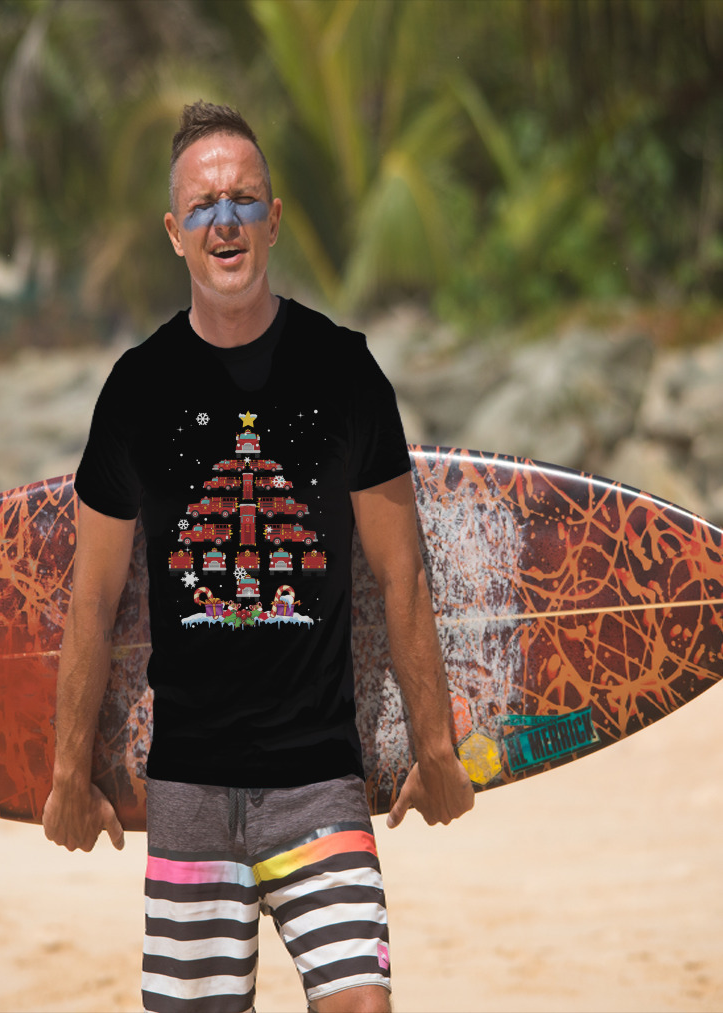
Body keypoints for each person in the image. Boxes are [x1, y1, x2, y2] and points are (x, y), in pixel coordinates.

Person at [43, 100, 474, 1013]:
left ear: (274, 219)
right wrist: (65, 773)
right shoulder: (135, 390)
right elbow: (92, 602)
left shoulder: (346, 372)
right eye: (203, 206)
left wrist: (435, 746)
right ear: (174, 233)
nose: (225, 220)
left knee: (363, 1003)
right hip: (190, 788)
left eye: (244, 200)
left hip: (319, 780)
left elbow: (402, 575)